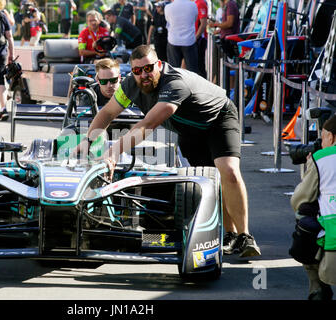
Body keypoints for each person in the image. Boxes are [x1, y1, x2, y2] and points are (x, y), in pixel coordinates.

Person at [76, 45, 261, 258]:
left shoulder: (174, 82)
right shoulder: (130, 86)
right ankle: (230, 234)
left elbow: (148, 124)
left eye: (148, 68)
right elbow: (107, 113)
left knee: (228, 170)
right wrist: (87, 140)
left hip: (218, 120)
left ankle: (245, 236)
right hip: (188, 131)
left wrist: (113, 152)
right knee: (213, 181)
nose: (144, 75)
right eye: (137, 71)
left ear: (159, 65)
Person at [290, 115, 336, 300]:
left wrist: (312, 165)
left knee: (305, 219)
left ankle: (318, 289)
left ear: (331, 138)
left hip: (332, 239)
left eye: (323, 137)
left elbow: (300, 199)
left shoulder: (322, 158)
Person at [164, 0, 199, 73]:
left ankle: (174, 83)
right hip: (189, 40)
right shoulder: (193, 5)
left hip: (173, 40)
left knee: (173, 70)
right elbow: (194, 19)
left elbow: (168, 21)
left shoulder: (168, 7)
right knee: (192, 70)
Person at [194, 0, 208, 78]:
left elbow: (203, 23)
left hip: (199, 40)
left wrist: (196, 37)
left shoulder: (200, 3)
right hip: (194, 39)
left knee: (199, 66)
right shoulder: (194, 3)